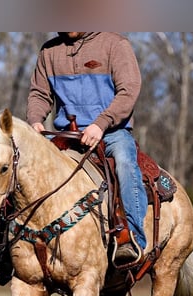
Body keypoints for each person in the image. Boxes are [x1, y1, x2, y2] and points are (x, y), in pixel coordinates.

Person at [27, 32, 147, 266]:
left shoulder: (115, 44)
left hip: (111, 132)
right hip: (66, 136)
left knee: (124, 162)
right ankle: (2, 249)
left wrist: (100, 124)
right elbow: (39, 94)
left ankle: (131, 239)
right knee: (26, 170)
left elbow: (129, 91)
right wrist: (35, 120)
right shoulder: (48, 51)